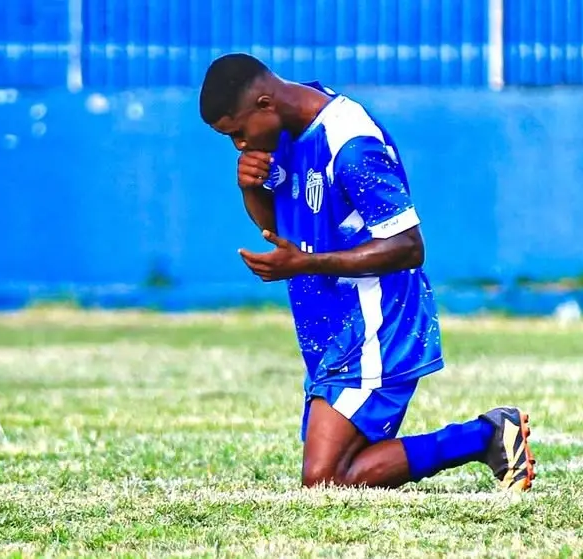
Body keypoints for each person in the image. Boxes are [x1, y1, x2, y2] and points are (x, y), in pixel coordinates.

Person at [198, 53, 536, 491]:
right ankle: (491, 435)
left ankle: (485, 435)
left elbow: (409, 246)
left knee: (324, 480)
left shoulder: (351, 144)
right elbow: (279, 228)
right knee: (338, 473)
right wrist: (251, 187)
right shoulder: (281, 129)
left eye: (238, 133)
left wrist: (306, 264)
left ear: (265, 103)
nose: (239, 145)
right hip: (331, 327)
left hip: (377, 322)